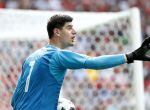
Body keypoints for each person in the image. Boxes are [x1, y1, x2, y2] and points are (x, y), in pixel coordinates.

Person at [11, 14, 150, 110]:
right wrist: (130, 56)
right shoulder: (57, 56)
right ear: (57, 32)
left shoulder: (31, 58)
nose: (74, 32)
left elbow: (14, 100)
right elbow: (93, 63)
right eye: (69, 28)